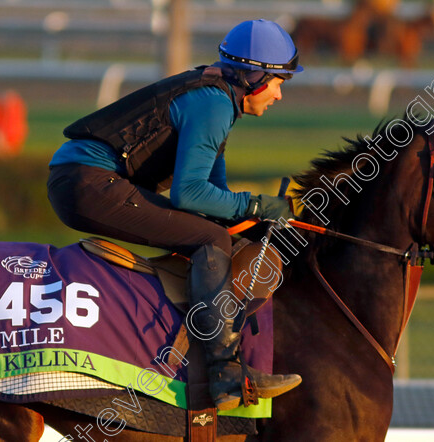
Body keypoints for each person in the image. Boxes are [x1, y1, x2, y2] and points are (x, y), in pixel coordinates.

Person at [47, 19, 303, 411]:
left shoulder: (218, 98)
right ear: (254, 77)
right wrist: (255, 204)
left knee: (218, 234)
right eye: (279, 82)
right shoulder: (214, 104)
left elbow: (212, 198)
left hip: (84, 179)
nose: (280, 95)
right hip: (87, 183)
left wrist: (249, 220)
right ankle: (225, 373)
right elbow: (190, 194)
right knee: (210, 240)